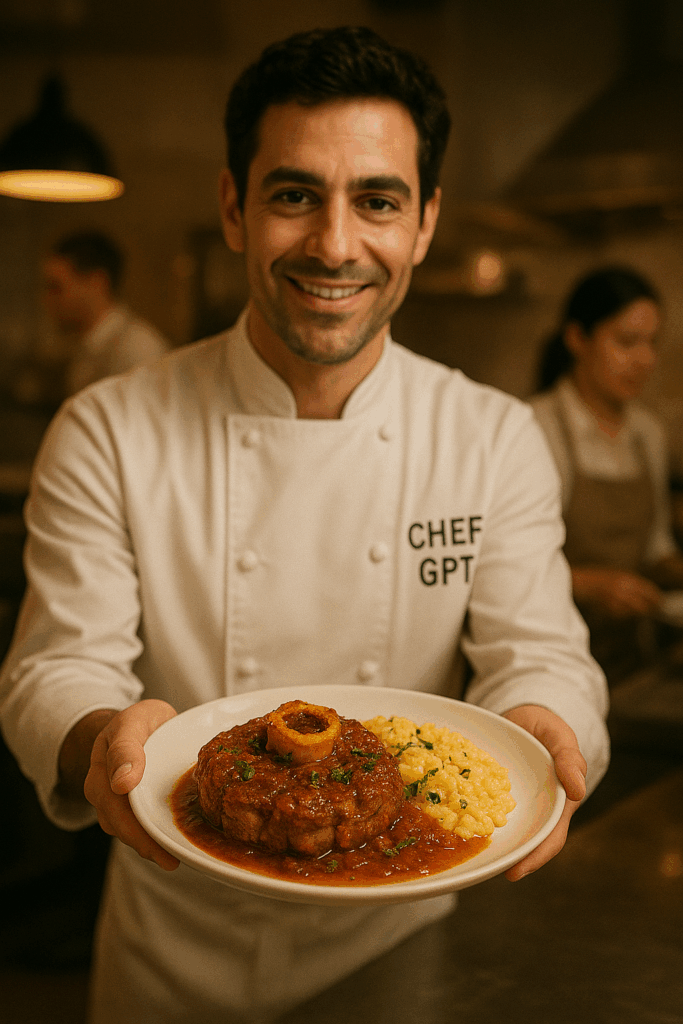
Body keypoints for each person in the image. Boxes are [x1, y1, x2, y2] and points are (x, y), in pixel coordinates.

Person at [0, 27, 609, 1024]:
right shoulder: (107, 426)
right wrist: (101, 736)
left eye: (376, 200)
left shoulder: (490, 437)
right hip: (171, 943)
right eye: (293, 195)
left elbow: (539, 652)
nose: (334, 243)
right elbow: (53, 665)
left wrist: (544, 728)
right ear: (235, 208)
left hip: (401, 939)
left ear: (423, 223)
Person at [531, 266, 683, 681]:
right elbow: (510, 564)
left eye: (652, 343)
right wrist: (590, 585)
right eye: (627, 342)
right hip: (551, 657)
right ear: (578, 339)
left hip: (631, 655)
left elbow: (655, 548)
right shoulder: (535, 427)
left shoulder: (647, 433)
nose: (645, 360)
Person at [42, 230, 169, 397]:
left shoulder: (138, 350)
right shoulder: (86, 347)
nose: (46, 300)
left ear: (97, 284)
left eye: (56, 288)